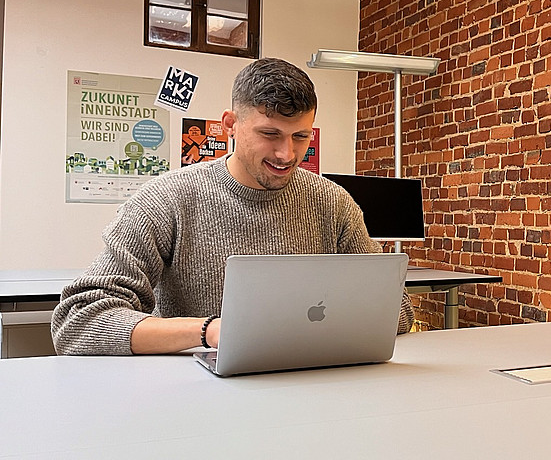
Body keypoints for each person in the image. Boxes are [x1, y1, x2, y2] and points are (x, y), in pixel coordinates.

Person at [52, 58, 415, 356]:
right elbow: (76, 322)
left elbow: (397, 311)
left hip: (311, 385)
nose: (286, 154)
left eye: (301, 136)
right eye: (269, 134)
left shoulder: (333, 203)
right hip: (197, 397)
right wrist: (208, 331)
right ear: (231, 125)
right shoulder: (165, 200)